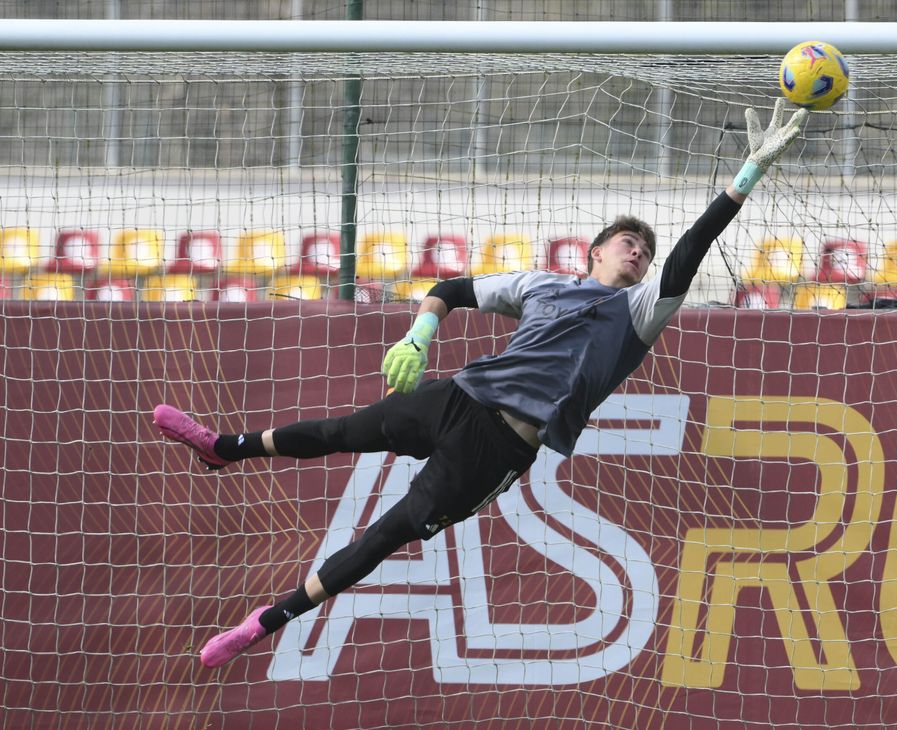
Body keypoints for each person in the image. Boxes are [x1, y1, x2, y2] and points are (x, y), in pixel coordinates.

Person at [153, 100, 809, 669]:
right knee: (338, 431)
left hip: (496, 449)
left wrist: (745, 177)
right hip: (457, 397)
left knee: (386, 535)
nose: (637, 250)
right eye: (627, 240)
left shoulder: (639, 314)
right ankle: (224, 448)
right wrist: (417, 335)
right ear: (595, 250)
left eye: (643, 247)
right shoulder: (538, 286)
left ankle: (266, 621)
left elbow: (692, 247)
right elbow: (449, 289)